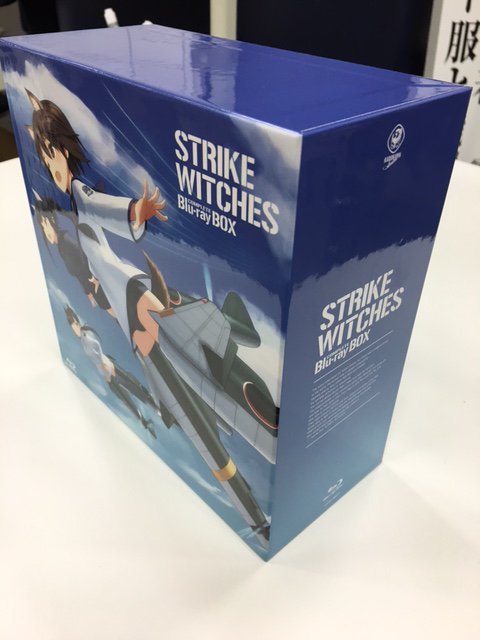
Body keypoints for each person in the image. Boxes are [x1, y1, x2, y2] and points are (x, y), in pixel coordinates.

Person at [65, 306, 157, 438]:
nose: (73, 327)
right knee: (126, 399)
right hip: (107, 373)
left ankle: (155, 406)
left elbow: (97, 347)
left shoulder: (86, 336)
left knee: (134, 388)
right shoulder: (82, 339)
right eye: (71, 325)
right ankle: (144, 420)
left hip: (109, 368)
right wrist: (104, 371)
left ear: (77, 321)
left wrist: (106, 365)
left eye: (73, 323)